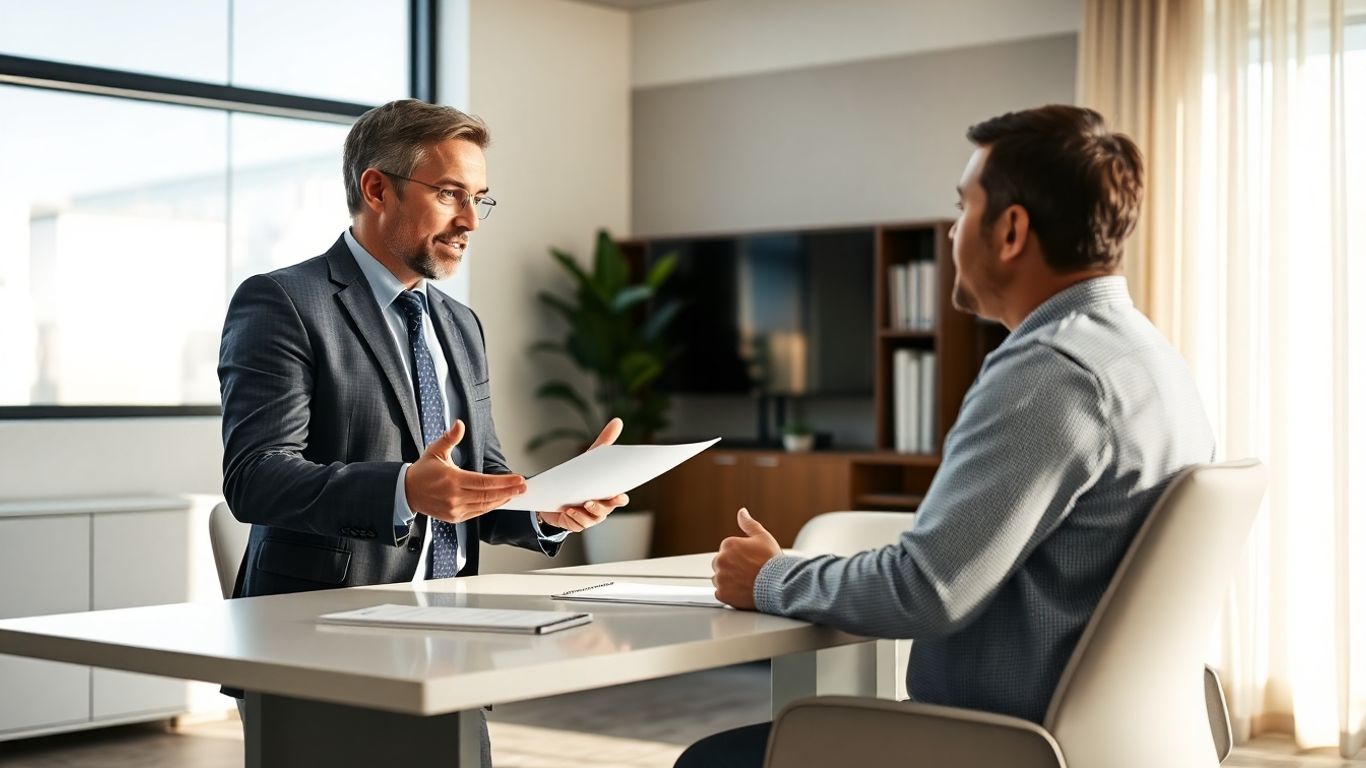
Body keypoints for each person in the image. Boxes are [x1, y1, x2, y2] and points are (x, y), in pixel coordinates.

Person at [678, 105, 1216, 768]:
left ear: (1011, 230)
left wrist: (769, 576)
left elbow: (925, 590)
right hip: (1118, 738)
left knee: (711, 761)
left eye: (963, 208)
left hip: (997, 744)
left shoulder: (1048, 373)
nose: (955, 231)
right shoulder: (1150, 357)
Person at [218, 98, 627, 767]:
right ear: (376, 187)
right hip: (321, 647)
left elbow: (479, 479)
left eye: (480, 199)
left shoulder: (459, 325)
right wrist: (405, 488)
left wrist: (548, 506)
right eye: (449, 195)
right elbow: (255, 478)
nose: (470, 220)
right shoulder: (284, 302)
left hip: (453, 641)